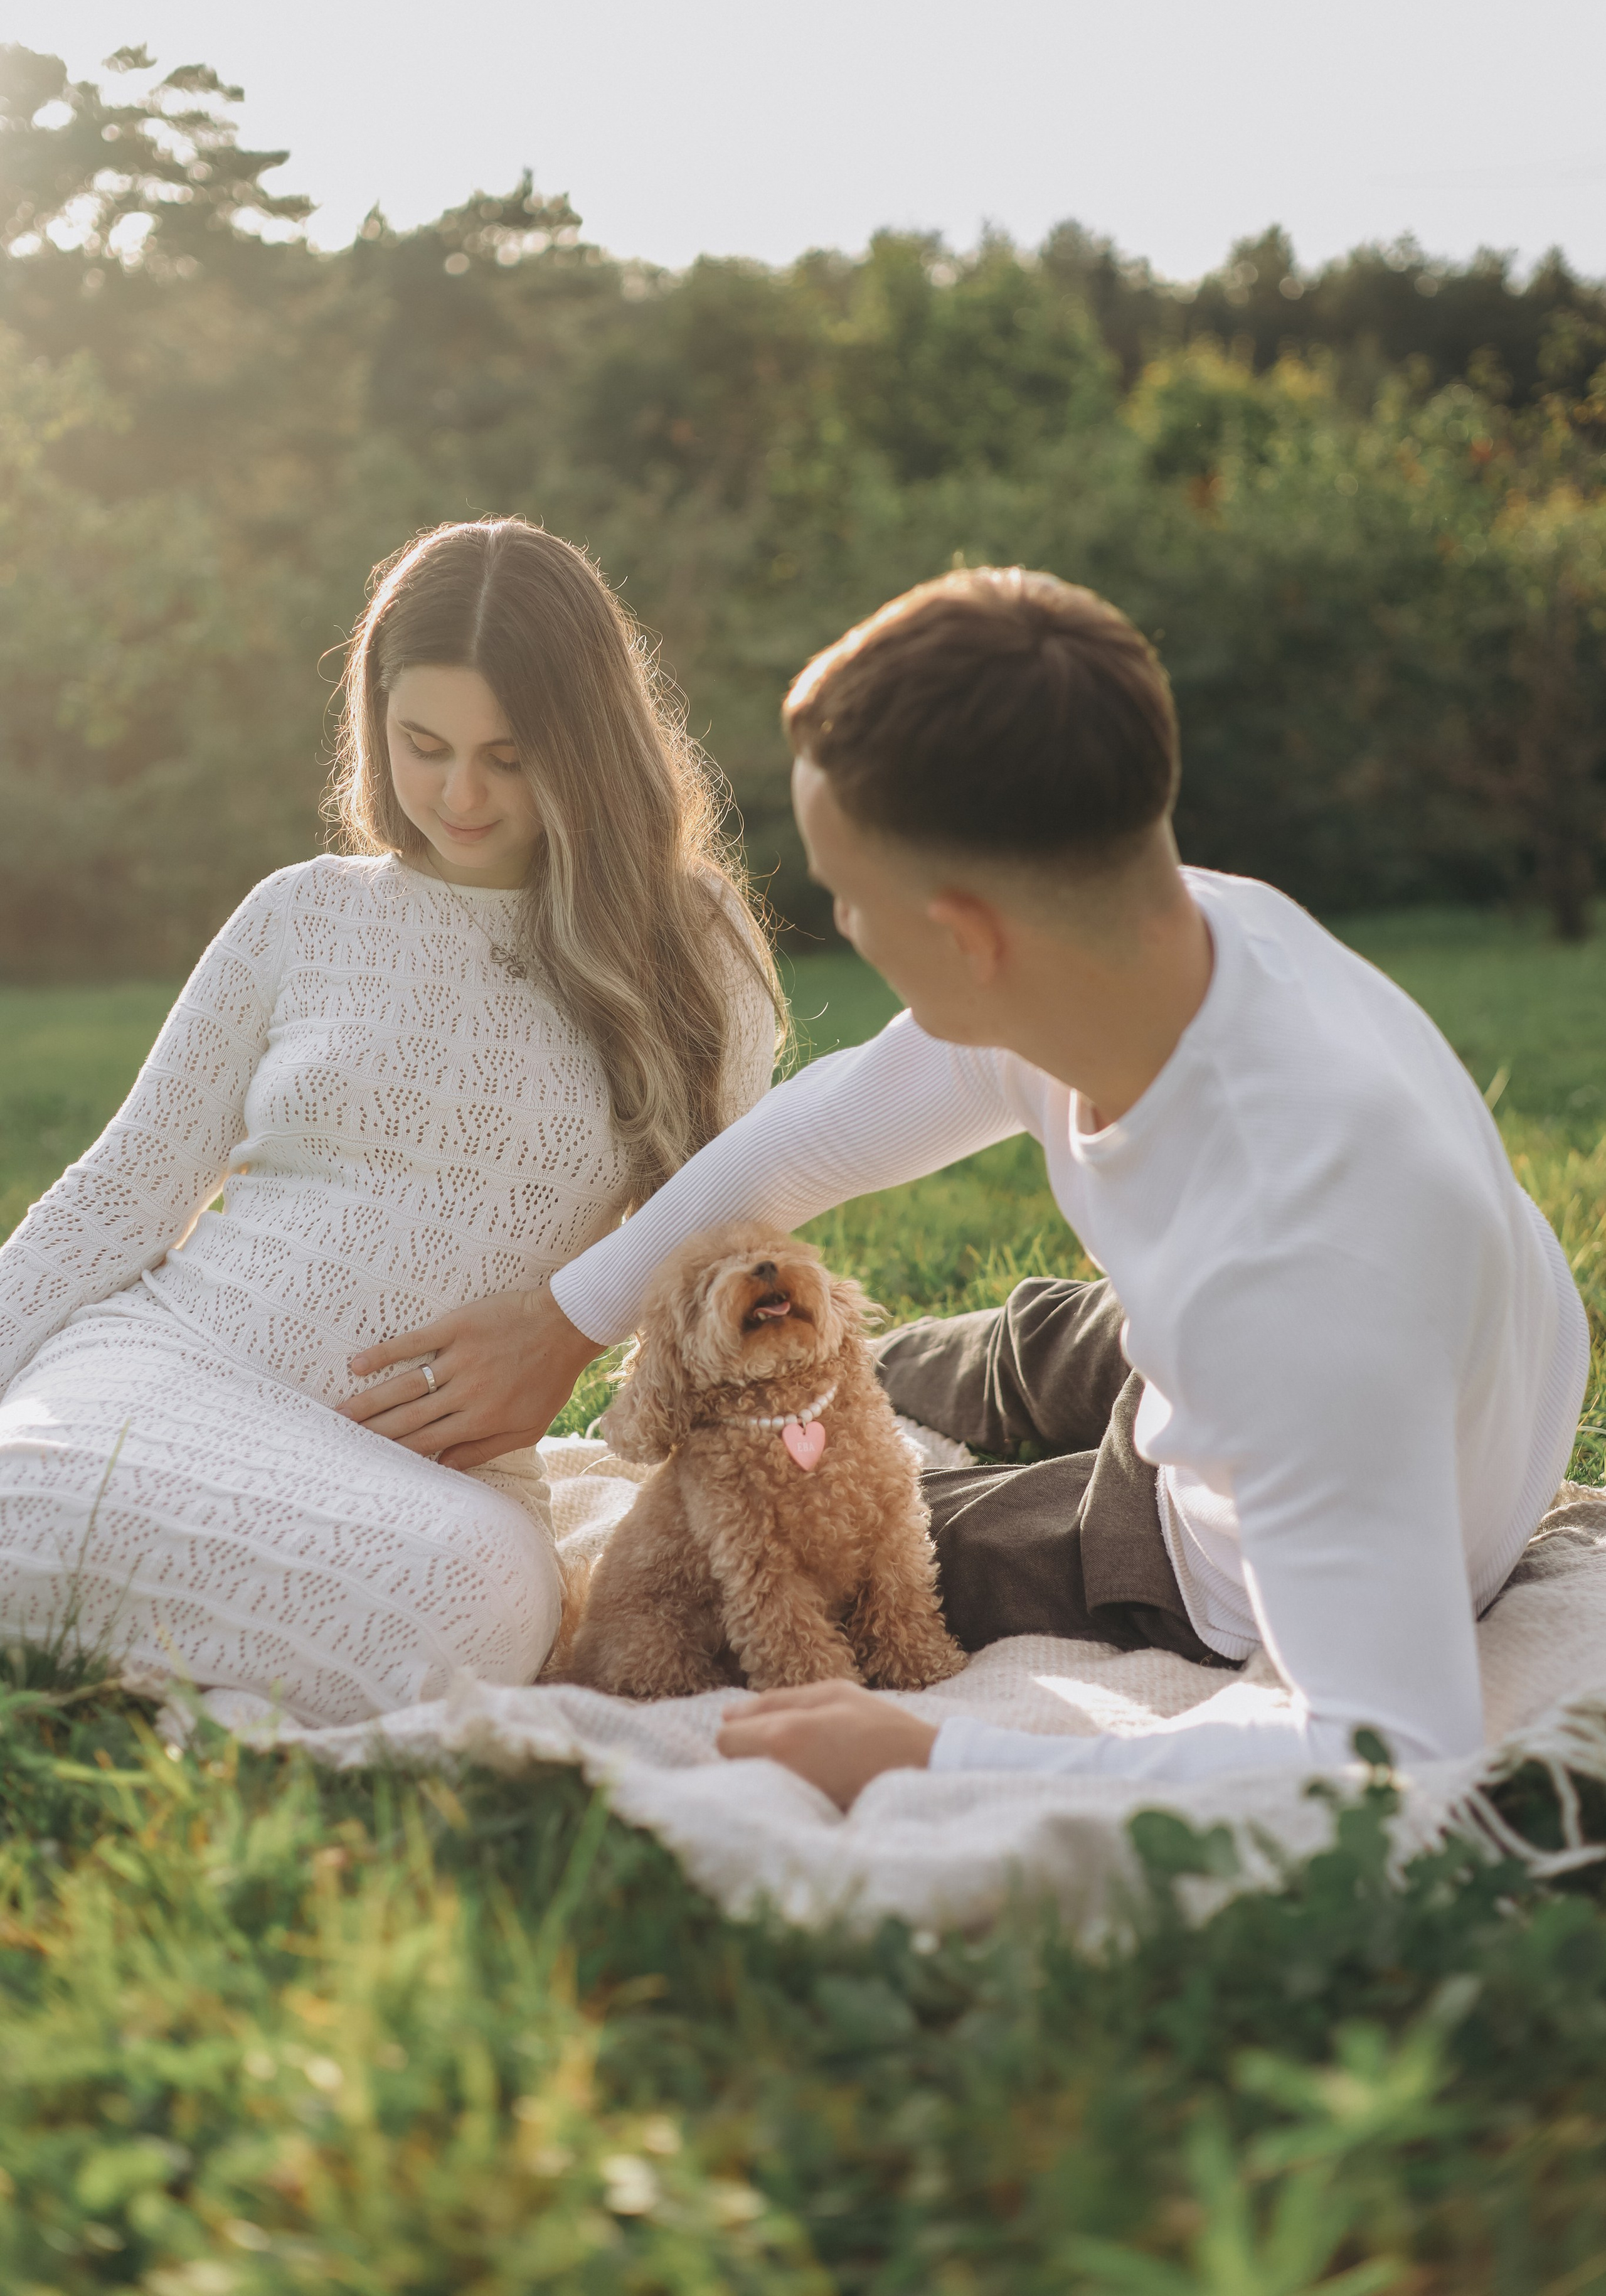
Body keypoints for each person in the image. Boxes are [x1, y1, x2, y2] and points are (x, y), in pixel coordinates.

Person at [344, 565, 1588, 1803]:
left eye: (844, 898)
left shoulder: (1289, 1287)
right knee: (910, 1364)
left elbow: (1389, 1756)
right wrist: (567, 1321)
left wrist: (936, 1750)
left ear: (966, 936)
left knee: (862, 1519)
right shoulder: (1174, 936)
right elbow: (818, 1133)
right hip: (1300, 1337)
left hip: (1269, 1502)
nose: (840, 921)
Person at [0, 519, 780, 1724]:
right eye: (423, 745)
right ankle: (179, 1671)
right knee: (25, 1491)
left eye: (511, 757)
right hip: (173, 1365)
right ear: (375, 722)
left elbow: (725, 1252)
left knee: (480, 1608)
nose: (460, 795)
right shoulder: (300, 914)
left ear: (590, 746)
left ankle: (111, 1661)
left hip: (426, 1478)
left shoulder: (691, 949)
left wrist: (584, 1330)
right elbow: (115, 1199)